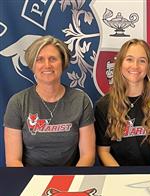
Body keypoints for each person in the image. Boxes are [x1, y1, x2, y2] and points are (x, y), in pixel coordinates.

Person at [4, 35, 95, 167]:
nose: (47, 65)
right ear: (32, 65)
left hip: (70, 177)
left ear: (63, 63)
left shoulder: (80, 100)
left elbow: (88, 156)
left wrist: (69, 182)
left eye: (53, 59)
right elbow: (13, 160)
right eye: (40, 59)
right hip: (30, 178)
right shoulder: (18, 102)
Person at [94, 39, 150, 166]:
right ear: (120, 64)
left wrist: (148, 178)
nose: (135, 66)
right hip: (117, 178)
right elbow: (103, 151)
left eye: (142, 61)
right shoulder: (103, 106)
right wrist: (121, 179)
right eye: (129, 59)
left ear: (149, 67)